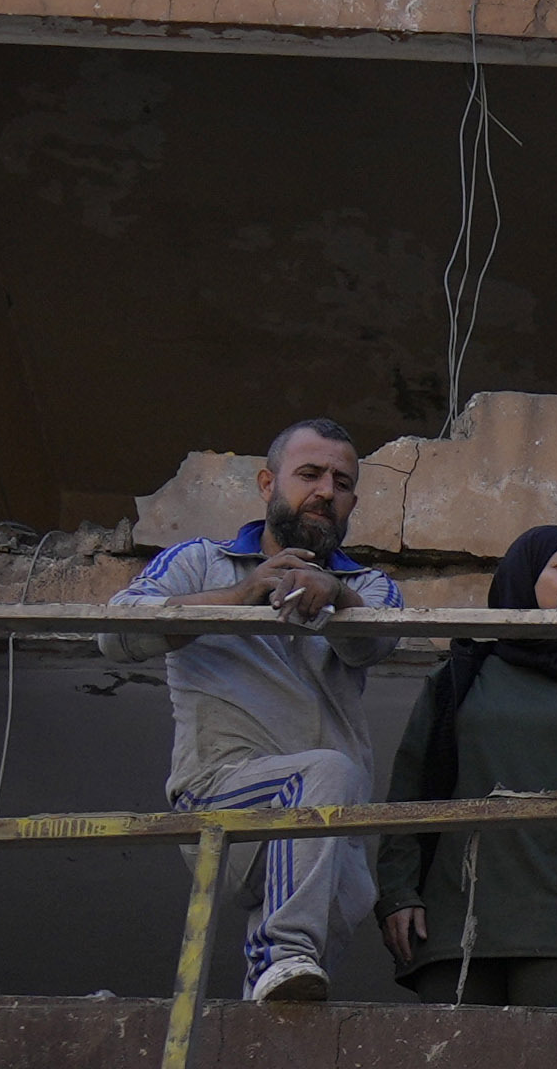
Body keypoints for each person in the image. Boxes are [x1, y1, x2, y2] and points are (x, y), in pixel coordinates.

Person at [110, 422, 396, 1004]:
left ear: (353, 503)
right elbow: (115, 635)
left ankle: (270, 990)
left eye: (342, 483)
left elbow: (376, 643)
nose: (325, 491)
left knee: (286, 1004)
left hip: (328, 825)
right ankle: (280, 949)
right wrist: (240, 599)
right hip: (220, 799)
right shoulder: (199, 562)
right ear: (268, 483)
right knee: (327, 773)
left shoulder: (368, 585)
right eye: (309, 474)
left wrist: (336, 595)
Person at [389, 520, 557, 1004]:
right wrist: (398, 892)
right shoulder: (461, 676)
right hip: (455, 915)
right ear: (522, 577)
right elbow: (409, 789)